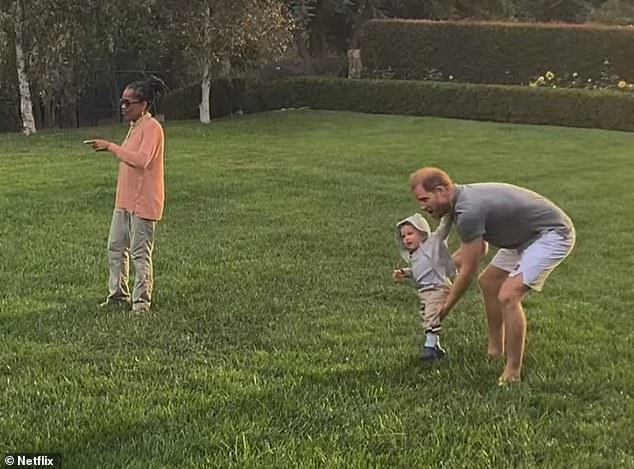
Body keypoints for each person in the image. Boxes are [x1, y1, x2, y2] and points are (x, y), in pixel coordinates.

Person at [409, 167, 575, 384]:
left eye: (424, 199)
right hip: (523, 236)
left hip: (551, 234)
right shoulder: (458, 204)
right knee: (489, 282)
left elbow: (468, 269)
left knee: (508, 294)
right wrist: (427, 269)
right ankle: (495, 349)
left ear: (441, 190)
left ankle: (512, 371)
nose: (423, 207)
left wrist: (442, 310)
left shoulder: (468, 210)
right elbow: (475, 250)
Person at [84, 75, 168, 313]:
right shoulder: (135, 127)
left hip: (144, 202)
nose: (123, 107)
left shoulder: (152, 128)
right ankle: (118, 295)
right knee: (116, 247)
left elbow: (141, 161)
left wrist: (111, 147)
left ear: (144, 105)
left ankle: (141, 303)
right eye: (122, 102)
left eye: (128, 103)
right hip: (125, 201)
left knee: (140, 254)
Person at [393, 213, 455, 361]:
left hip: (438, 286)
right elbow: (419, 272)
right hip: (425, 291)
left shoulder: (433, 244)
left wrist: (448, 214)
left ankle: (429, 347)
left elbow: (443, 229)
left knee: (432, 315)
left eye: (410, 233)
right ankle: (436, 347)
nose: (407, 238)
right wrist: (405, 272)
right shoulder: (414, 255)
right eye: (403, 236)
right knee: (427, 316)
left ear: (421, 232)